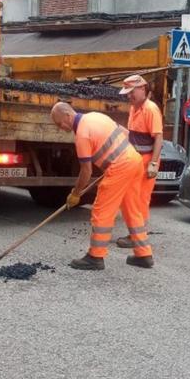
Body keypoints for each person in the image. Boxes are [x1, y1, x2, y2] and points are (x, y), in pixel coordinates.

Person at [50, 102, 154, 270]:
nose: (59, 127)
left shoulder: (82, 134)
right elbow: (126, 134)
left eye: (59, 123)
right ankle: (144, 254)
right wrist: (119, 157)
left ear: (68, 116)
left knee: (101, 210)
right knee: (132, 210)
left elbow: (86, 171)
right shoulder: (96, 116)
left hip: (121, 166)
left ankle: (95, 256)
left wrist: (75, 194)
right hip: (134, 160)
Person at [115, 74, 163, 249]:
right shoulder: (134, 108)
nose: (129, 96)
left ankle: (137, 236)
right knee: (130, 198)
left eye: (131, 92)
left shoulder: (150, 109)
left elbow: (158, 138)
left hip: (146, 162)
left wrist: (153, 164)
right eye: (127, 93)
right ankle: (134, 233)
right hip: (135, 161)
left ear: (142, 89)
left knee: (140, 199)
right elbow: (133, 136)